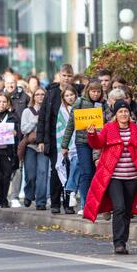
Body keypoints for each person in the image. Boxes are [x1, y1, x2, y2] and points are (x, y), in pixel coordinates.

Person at [83, 100, 137, 254]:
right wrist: (91, 133)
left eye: (126, 111)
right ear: (115, 114)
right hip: (114, 176)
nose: (123, 114)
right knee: (119, 208)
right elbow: (97, 143)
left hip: (133, 177)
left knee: (127, 211)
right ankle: (119, 243)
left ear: (130, 114)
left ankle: (124, 240)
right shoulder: (108, 129)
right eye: (120, 112)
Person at [37, 64, 82, 214]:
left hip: (74, 139)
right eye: (64, 75)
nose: (67, 78)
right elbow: (43, 117)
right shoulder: (51, 93)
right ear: (59, 76)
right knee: (56, 170)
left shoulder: (78, 92)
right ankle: (55, 202)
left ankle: (68, 204)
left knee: (71, 170)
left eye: (69, 76)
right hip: (54, 139)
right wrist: (41, 140)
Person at [62, 81, 106, 214]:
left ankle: (96, 203)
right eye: (93, 91)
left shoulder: (103, 104)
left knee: (96, 174)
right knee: (86, 172)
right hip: (83, 142)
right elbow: (70, 124)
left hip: (98, 143)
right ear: (88, 91)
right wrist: (65, 144)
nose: (95, 94)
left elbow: (110, 120)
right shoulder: (79, 102)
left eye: (98, 91)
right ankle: (85, 204)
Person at [3, 73, 30, 207]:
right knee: (3, 169)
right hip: (3, 141)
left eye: (12, 82)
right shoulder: (0, 97)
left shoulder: (24, 97)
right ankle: (1, 196)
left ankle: (14, 196)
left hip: (19, 138)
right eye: (8, 83)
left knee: (18, 168)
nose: (10, 85)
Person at [21, 88, 50, 210]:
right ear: (33, 97)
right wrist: (35, 121)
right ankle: (29, 194)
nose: (40, 96)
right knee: (31, 174)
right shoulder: (27, 111)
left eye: (43, 94)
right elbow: (24, 129)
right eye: (37, 94)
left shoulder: (49, 110)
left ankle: (41, 201)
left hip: (44, 145)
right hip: (31, 146)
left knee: (43, 173)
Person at [0, 93, 19, 208]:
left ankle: (3, 199)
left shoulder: (13, 116)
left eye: (4, 102)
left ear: (8, 103)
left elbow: (18, 132)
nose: (2, 104)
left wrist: (15, 133)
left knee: (6, 175)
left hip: (7, 150)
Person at [56, 86, 80, 214]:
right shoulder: (62, 111)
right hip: (67, 146)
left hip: (80, 143)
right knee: (70, 170)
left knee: (78, 168)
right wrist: (63, 146)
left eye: (72, 94)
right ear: (63, 98)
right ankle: (69, 198)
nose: (70, 97)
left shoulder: (81, 106)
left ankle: (73, 194)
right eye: (67, 95)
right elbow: (60, 130)